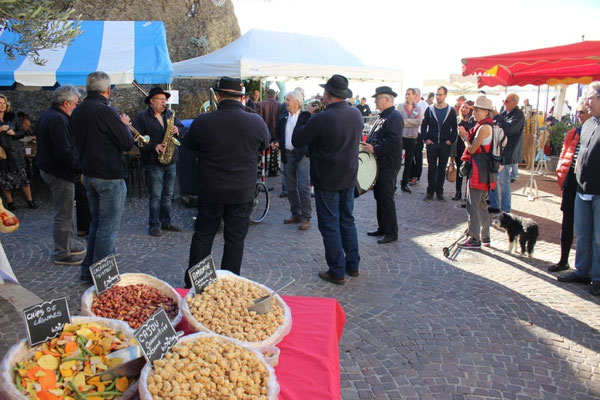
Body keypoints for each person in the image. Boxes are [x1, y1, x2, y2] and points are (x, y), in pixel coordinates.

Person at [183, 77, 270, 287]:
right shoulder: (255, 121)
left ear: (218, 96)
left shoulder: (203, 121)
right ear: (241, 98)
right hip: (242, 191)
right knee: (235, 239)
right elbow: (265, 143)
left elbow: (189, 145)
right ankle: (228, 285)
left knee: (204, 235)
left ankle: (196, 284)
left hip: (211, 190)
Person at [292, 74, 362, 284]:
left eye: (324, 92)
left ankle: (337, 270)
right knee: (347, 220)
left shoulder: (322, 118)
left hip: (328, 179)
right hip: (349, 177)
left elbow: (297, 139)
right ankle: (353, 265)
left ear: (329, 95)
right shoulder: (356, 114)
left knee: (330, 224)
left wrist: (306, 113)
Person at [71, 71, 134, 283]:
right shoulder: (107, 111)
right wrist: (124, 124)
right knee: (107, 229)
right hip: (109, 176)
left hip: (89, 174)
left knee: (97, 225)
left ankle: (87, 271)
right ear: (107, 89)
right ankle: (104, 278)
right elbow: (126, 143)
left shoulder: (78, 110)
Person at [36, 85, 86, 265]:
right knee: (64, 212)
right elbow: (64, 152)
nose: (76, 106)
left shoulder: (50, 115)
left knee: (68, 210)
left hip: (52, 169)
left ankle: (67, 244)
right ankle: (62, 253)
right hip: (59, 172)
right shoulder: (58, 119)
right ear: (66, 103)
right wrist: (80, 167)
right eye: (75, 103)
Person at [557, 82, 600, 295]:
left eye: (590, 98)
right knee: (582, 234)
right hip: (582, 189)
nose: (587, 103)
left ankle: (597, 277)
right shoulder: (589, 124)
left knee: (598, 238)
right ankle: (582, 271)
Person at [132, 86, 186, 237]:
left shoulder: (169, 114)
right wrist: (153, 146)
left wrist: (178, 130)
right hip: (153, 162)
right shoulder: (142, 117)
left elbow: (183, 129)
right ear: (151, 101)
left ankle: (166, 222)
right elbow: (136, 139)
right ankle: (154, 225)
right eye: (161, 99)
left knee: (168, 195)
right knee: (155, 196)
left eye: (165, 99)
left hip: (171, 160)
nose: (164, 102)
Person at [549, 99, 591, 272]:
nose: (579, 115)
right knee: (567, 222)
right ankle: (564, 260)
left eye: (582, 112)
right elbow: (564, 154)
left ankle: (586, 266)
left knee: (587, 226)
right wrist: (561, 174)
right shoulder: (574, 133)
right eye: (578, 112)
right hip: (572, 182)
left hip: (589, 184)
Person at [363, 86, 403, 244]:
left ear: (386, 99)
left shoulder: (394, 116)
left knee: (386, 198)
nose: (375, 101)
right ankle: (382, 227)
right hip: (380, 163)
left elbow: (394, 140)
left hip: (388, 164)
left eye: (377, 98)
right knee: (379, 196)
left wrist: (375, 149)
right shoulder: (384, 116)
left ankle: (391, 232)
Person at [457, 96, 497, 249]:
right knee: (481, 205)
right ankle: (485, 237)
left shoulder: (483, 128)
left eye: (477, 110)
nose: (474, 112)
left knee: (473, 205)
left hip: (479, 170)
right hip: (483, 170)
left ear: (486, 112)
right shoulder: (487, 126)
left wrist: (464, 137)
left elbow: (472, 149)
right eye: (474, 110)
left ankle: (474, 238)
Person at [272, 90, 311, 230]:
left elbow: (311, 135)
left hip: (301, 155)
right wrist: (277, 142)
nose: (286, 102)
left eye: (288, 99)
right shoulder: (283, 117)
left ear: (297, 101)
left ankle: (306, 217)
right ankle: (296, 214)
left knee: (303, 187)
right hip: (287, 154)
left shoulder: (305, 117)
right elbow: (279, 134)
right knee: (290, 187)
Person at [488, 93, 524, 213]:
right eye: (503, 100)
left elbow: (510, 129)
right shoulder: (504, 113)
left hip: (507, 153)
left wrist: (498, 116)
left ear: (515, 102)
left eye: (507, 101)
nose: (504, 103)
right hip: (498, 152)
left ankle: (505, 209)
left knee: (504, 182)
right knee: (494, 179)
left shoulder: (518, 114)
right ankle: (494, 205)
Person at [0, 94, 37, 210]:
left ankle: (30, 201)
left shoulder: (13, 117)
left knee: (23, 179)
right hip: (1, 154)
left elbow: (22, 133)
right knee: (4, 181)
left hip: (15, 152)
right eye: (0, 103)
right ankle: (10, 203)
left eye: (4, 103)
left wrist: (14, 133)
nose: (2, 105)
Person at [421, 86, 458, 201]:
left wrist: (450, 140)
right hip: (432, 143)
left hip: (444, 144)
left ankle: (439, 192)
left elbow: (455, 128)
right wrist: (426, 139)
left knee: (442, 168)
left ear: (445, 95)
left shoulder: (451, 110)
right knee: (431, 169)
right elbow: (424, 125)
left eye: (440, 94)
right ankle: (430, 192)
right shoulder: (430, 109)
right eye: (437, 94)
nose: (438, 96)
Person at [397, 88, 422, 194]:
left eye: (409, 94)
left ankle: (404, 184)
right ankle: (393, 184)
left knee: (409, 162)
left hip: (412, 138)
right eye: (406, 94)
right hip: (401, 137)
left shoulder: (418, 108)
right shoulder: (400, 106)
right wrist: (412, 122)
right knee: (397, 161)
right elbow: (399, 121)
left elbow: (419, 122)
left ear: (414, 95)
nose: (407, 96)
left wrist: (406, 122)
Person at [453, 101, 475, 201]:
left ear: (470, 109)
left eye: (466, 107)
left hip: (468, 149)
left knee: (468, 171)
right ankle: (458, 192)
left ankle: (467, 194)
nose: (464, 109)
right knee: (459, 171)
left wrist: (464, 133)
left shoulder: (472, 120)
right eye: (463, 107)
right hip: (458, 149)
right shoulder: (458, 119)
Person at [258, 88, 282, 177]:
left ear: (267, 94)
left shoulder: (260, 104)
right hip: (275, 132)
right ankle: (273, 171)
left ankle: (263, 170)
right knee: (274, 152)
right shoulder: (280, 105)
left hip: (264, 131)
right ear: (275, 95)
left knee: (263, 151)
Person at [409, 88, 429, 187]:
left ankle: (416, 176)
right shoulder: (411, 105)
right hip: (410, 133)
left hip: (419, 133)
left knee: (417, 156)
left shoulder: (423, 105)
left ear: (415, 95)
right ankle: (411, 175)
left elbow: (423, 121)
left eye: (410, 94)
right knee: (410, 155)